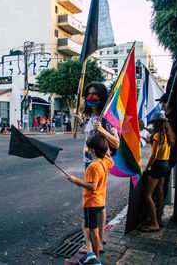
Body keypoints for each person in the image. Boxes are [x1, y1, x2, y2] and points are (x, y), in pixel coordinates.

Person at [74, 82, 119, 256]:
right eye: (89, 94)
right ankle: (99, 238)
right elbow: (90, 135)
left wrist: (102, 130)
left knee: (95, 201)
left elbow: (116, 143)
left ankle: (96, 242)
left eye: (94, 94)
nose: (91, 97)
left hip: (98, 163)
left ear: (101, 97)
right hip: (88, 161)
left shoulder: (106, 118)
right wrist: (81, 122)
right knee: (99, 201)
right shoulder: (92, 117)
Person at [67, 133, 114, 265]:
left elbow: (92, 186)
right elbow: (111, 161)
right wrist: (105, 153)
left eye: (88, 148)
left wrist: (76, 180)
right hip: (100, 201)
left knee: (93, 229)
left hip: (91, 202)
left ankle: (96, 259)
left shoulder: (93, 167)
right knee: (85, 225)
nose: (86, 151)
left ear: (91, 150)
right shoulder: (104, 162)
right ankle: (90, 253)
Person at [141, 112, 176, 232]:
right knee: (160, 194)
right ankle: (159, 219)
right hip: (166, 164)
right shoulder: (166, 135)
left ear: (157, 123)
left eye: (153, 123)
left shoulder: (157, 136)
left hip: (157, 166)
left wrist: (146, 168)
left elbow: (154, 155)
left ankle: (154, 223)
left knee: (148, 194)